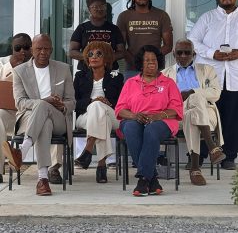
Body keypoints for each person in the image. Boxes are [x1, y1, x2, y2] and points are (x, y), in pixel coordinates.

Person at [188, 0, 238, 170]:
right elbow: (192, 41)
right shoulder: (208, 18)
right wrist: (212, 53)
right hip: (211, 79)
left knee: (237, 119)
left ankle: (229, 156)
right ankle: (200, 155)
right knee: (204, 116)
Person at [2, 34, 75, 196]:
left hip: (59, 119)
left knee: (45, 112)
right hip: (31, 119)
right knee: (44, 121)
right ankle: (43, 179)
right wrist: (43, 101)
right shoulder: (20, 71)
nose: (43, 52)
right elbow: (20, 102)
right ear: (33, 50)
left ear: (52, 50)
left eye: (46, 49)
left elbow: (72, 102)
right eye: (39, 48)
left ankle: (22, 151)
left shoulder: (63, 69)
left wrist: (62, 105)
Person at [115, 45, 183, 196]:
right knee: (130, 128)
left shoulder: (168, 83)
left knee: (151, 130)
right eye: (147, 60)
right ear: (141, 63)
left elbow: (177, 110)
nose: (151, 63)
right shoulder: (130, 83)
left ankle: (143, 178)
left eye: (154, 60)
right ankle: (152, 179)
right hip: (136, 119)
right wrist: (135, 116)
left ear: (159, 62)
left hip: (162, 122)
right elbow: (120, 110)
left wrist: (158, 116)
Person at [162, 39, 225, 185]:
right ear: (174, 54)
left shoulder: (207, 70)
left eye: (187, 53)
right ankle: (212, 149)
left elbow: (216, 93)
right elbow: (162, 99)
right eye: (179, 53)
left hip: (207, 112)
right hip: (178, 113)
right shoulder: (164, 74)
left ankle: (195, 167)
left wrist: (192, 91)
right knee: (191, 114)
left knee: (194, 102)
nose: (183, 56)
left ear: (194, 54)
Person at [74, 41, 123, 183]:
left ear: (106, 58)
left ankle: (88, 149)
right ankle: (102, 165)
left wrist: (107, 103)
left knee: (100, 109)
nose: (93, 56)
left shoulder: (117, 78)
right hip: (85, 117)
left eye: (98, 54)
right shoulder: (80, 77)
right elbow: (73, 102)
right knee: (98, 111)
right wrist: (93, 102)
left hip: (112, 115)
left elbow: (122, 102)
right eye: (90, 54)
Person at [117, 0, 173, 80]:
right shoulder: (124, 16)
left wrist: (150, 60)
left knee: (157, 96)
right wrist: (137, 62)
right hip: (132, 69)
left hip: (156, 69)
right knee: (133, 96)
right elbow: (121, 47)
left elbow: (168, 46)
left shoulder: (162, 15)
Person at [0, 33, 32, 184]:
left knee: (49, 117)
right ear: (11, 48)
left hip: (28, 114)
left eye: (26, 47)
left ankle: (53, 169)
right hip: (8, 113)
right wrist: (12, 68)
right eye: (18, 48)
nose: (22, 52)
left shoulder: (38, 63)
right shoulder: (2, 63)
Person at [69, 0, 125, 71]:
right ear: (89, 9)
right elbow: (72, 52)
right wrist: (91, 56)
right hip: (86, 72)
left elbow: (122, 52)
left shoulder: (114, 29)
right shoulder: (82, 28)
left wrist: (106, 58)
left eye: (102, 6)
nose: (99, 9)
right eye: (95, 7)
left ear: (106, 8)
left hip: (110, 72)